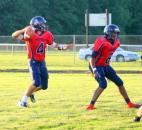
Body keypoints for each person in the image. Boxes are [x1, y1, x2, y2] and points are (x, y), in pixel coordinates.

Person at [12, 16, 72, 107]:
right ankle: (22, 101)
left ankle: (30, 92)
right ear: (37, 25)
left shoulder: (47, 34)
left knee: (44, 86)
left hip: (42, 61)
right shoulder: (30, 33)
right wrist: (23, 30)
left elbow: (54, 45)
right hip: (33, 60)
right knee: (36, 82)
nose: (44, 25)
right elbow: (14, 35)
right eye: (42, 24)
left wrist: (64, 48)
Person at [86, 24, 141, 110]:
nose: (114, 35)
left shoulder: (117, 42)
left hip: (106, 65)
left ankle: (129, 103)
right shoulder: (101, 41)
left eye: (116, 33)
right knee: (103, 84)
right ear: (107, 33)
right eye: (112, 33)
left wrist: (108, 68)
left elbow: (107, 55)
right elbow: (92, 59)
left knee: (120, 82)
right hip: (96, 65)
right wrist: (95, 70)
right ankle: (91, 105)